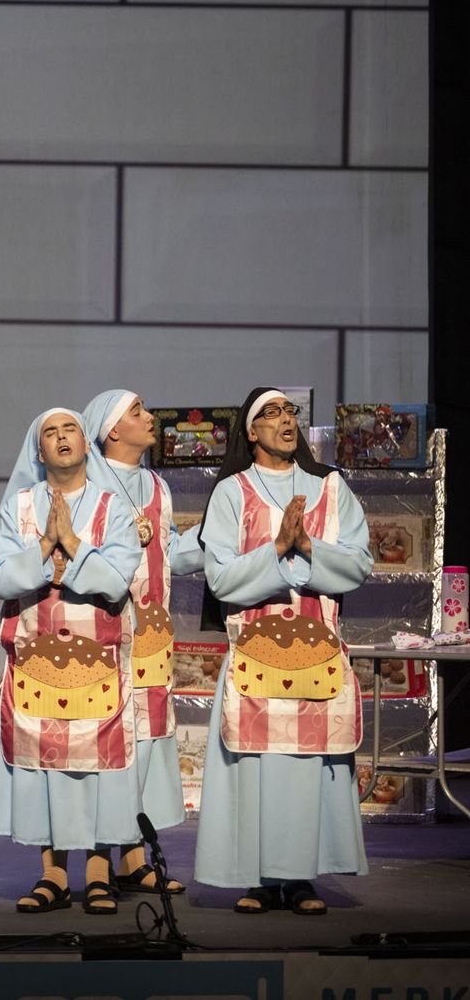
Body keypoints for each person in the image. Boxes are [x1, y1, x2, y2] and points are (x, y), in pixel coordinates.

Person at [194, 387, 372, 915]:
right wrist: (277, 548)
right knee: (256, 770)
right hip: (254, 653)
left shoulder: (330, 487)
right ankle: (258, 878)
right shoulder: (231, 493)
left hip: (316, 652)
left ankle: (298, 880)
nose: (285, 420)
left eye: (290, 411)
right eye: (270, 413)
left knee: (305, 769)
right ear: (251, 432)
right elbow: (222, 577)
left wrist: (309, 545)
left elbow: (359, 563)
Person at [0, 407, 143, 915]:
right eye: (50, 432)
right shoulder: (19, 507)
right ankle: (51, 874)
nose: (62, 437)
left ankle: (96, 873)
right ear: (39, 450)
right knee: (43, 764)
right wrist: (47, 545)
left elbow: (116, 581)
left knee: (101, 766)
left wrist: (69, 545)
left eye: (70, 428)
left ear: (86, 443)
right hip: (35, 660)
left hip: (99, 659)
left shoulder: (113, 506)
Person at [83, 389, 204, 897]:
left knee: (144, 747)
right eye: (136, 412)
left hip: (151, 633)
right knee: (104, 745)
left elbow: (170, 554)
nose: (150, 417)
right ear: (112, 430)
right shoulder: (88, 483)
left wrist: (219, 540)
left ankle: (132, 856)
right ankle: (93, 862)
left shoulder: (156, 485)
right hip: (105, 633)